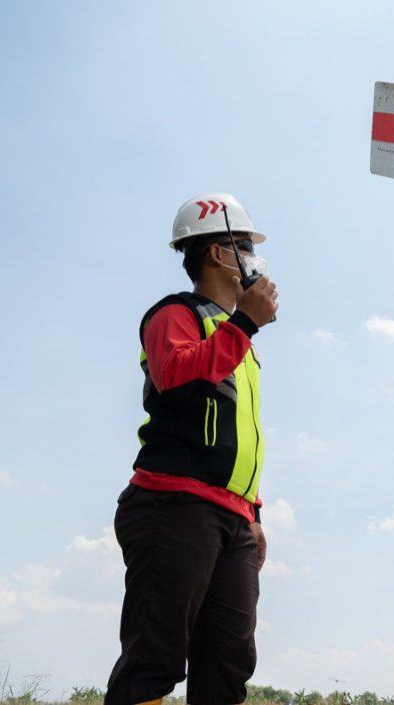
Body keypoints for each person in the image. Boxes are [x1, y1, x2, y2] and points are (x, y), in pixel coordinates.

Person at [106, 193, 279, 705]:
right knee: (154, 659)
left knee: (227, 665)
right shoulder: (175, 314)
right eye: (243, 244)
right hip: (173, 505)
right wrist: (243, 324)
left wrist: (254, 512)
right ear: (216, 253)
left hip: (232, 518)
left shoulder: (237, 342)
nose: (252, 256)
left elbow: (238, 436)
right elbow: (175, 380)